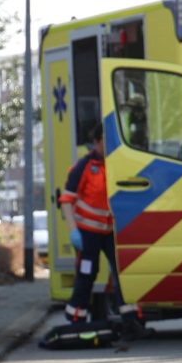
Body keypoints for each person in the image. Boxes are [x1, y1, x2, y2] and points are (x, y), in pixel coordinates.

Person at [57, 121, 122, 325]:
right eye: (105, 142)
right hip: (88, 233)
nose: (108, 146)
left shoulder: (117, 164)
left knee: (122, 273)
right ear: (96, 141)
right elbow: (66, 200)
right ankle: (76, 319)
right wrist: (73, 231)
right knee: (87, 274)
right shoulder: (84, 166)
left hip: (110, 231)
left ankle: (131, 321)